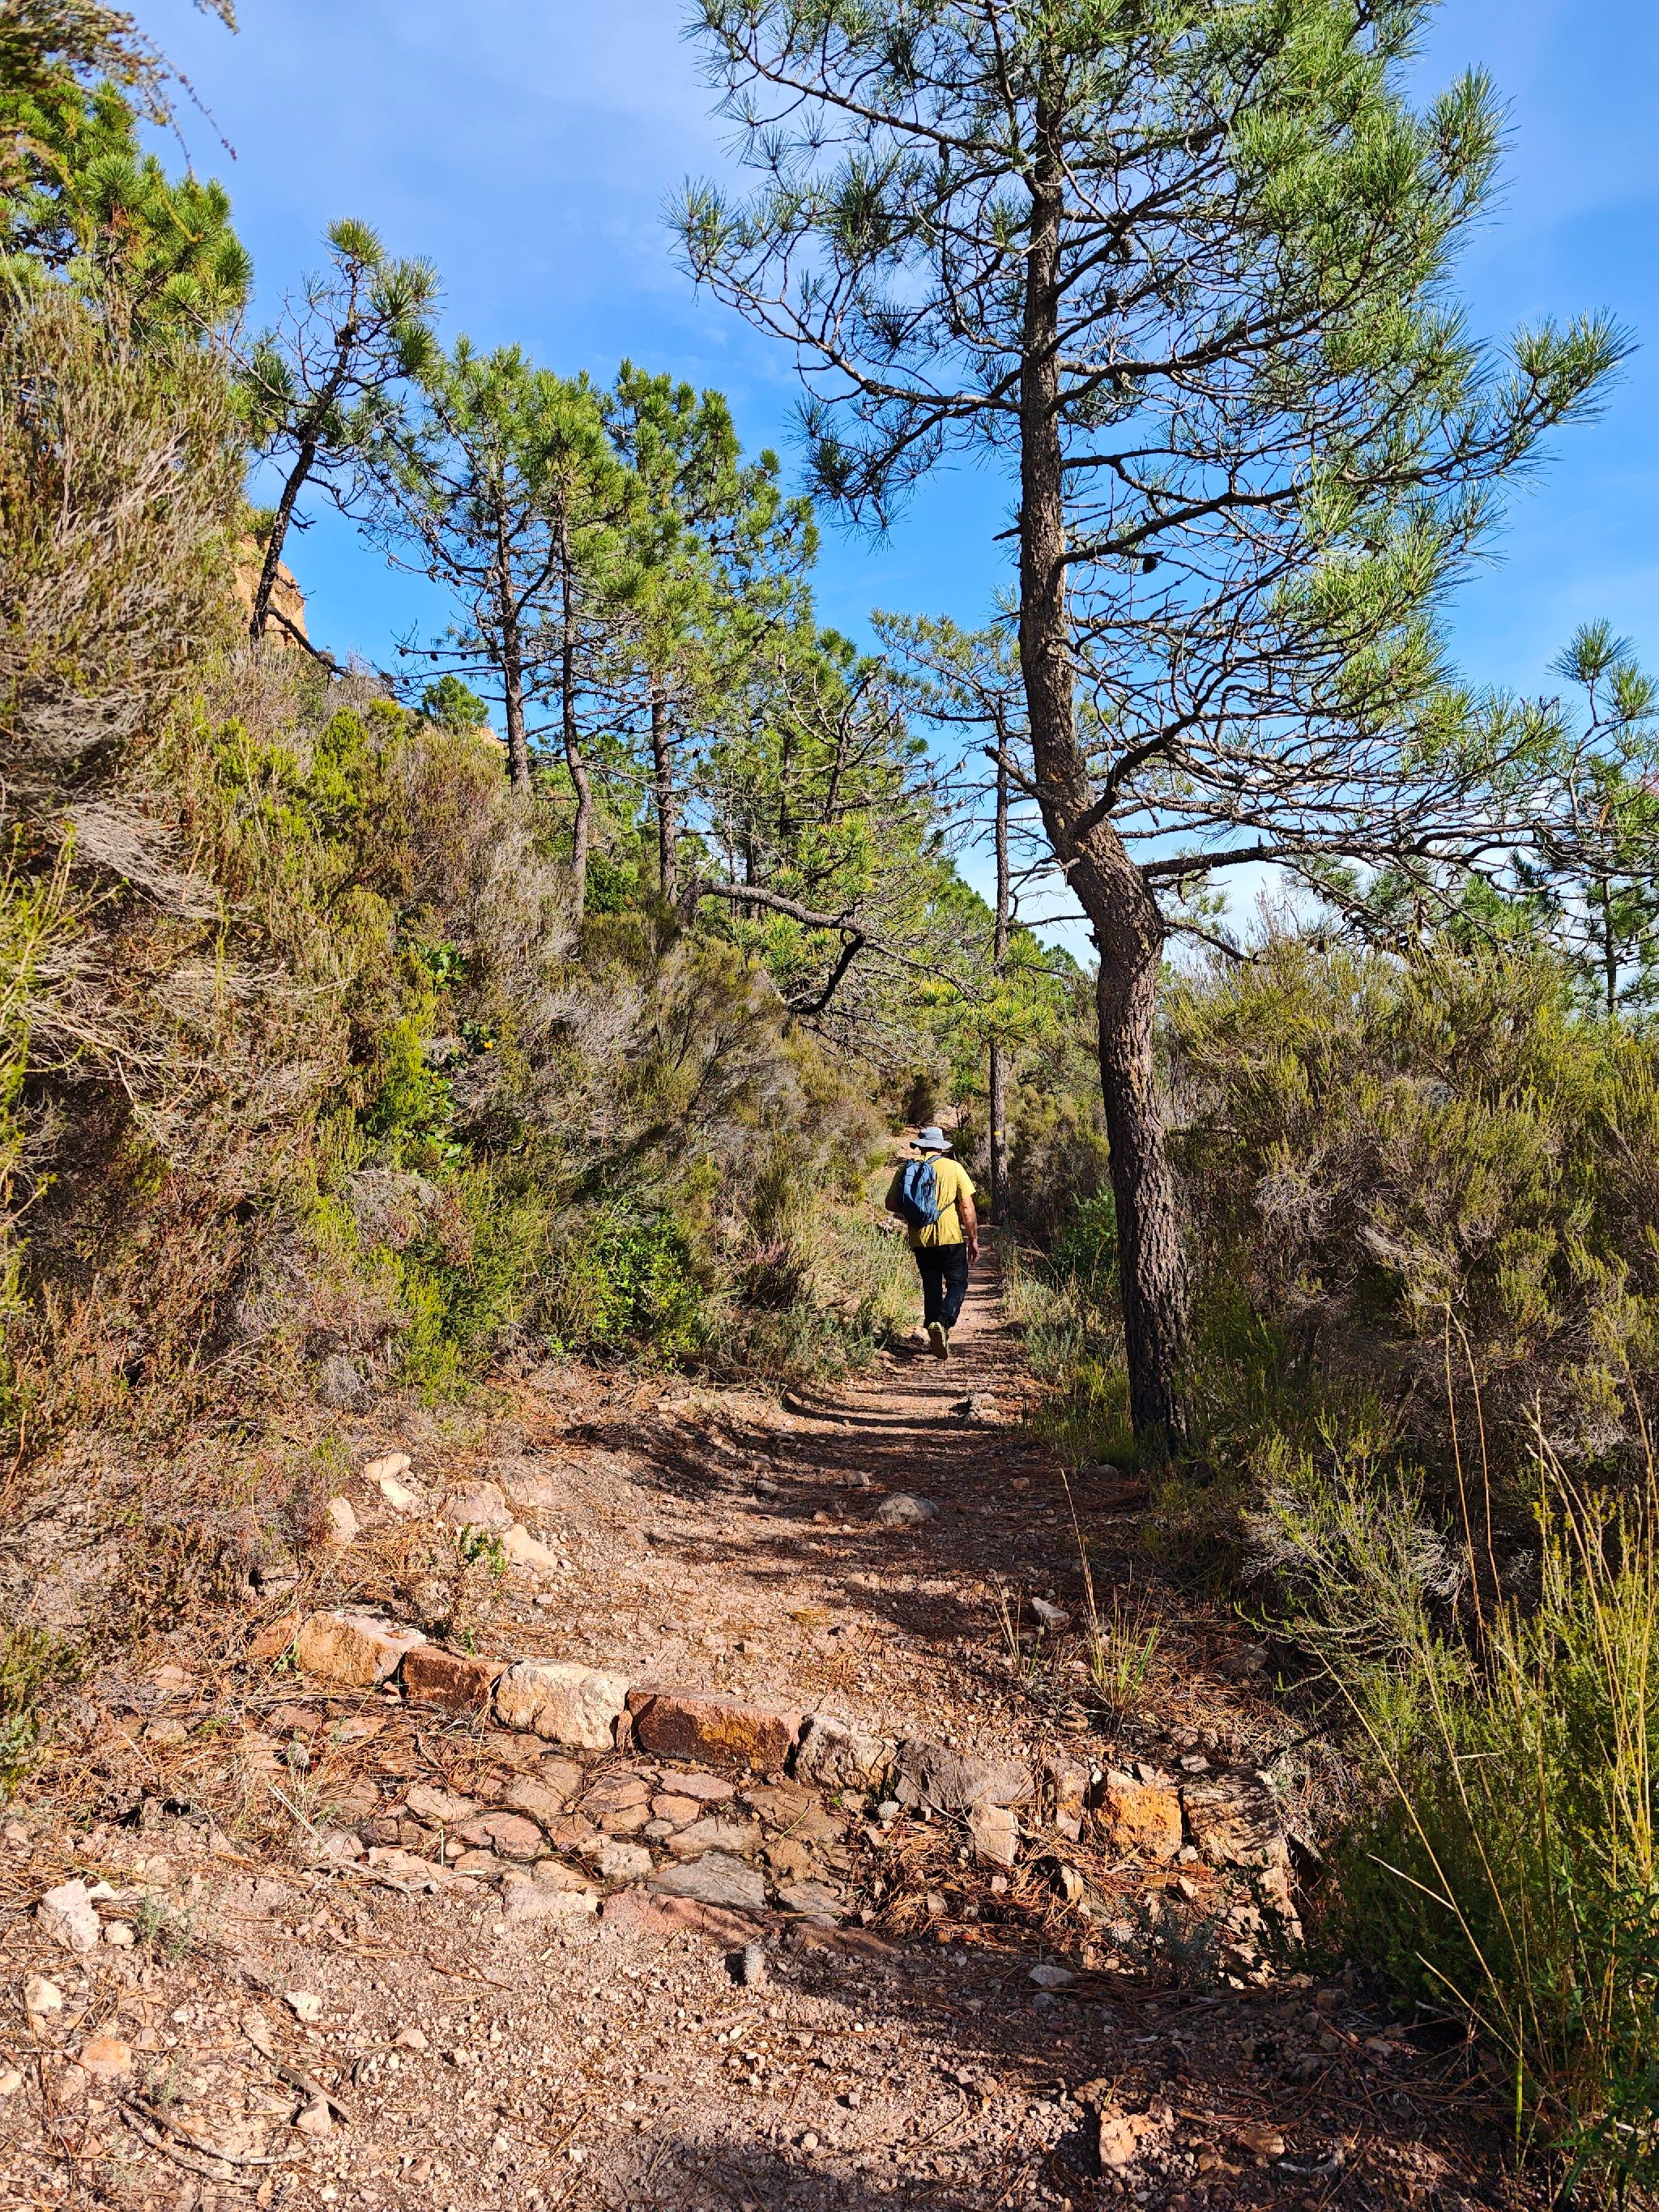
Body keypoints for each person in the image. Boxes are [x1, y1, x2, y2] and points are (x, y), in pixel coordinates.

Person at [885, 1125, 979, 1358]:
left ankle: (933, 1331)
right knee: (957, 1283)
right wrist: (973, 1238)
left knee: (931, 1285)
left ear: (920, 1146)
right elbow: (966, 1206)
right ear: (941, 1147)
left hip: (920, 1239)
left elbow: (891, 1204)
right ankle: (943, 1321)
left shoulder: (906, 1168)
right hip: (950, 1237)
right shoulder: (953, 1168)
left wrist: (917, 1211)